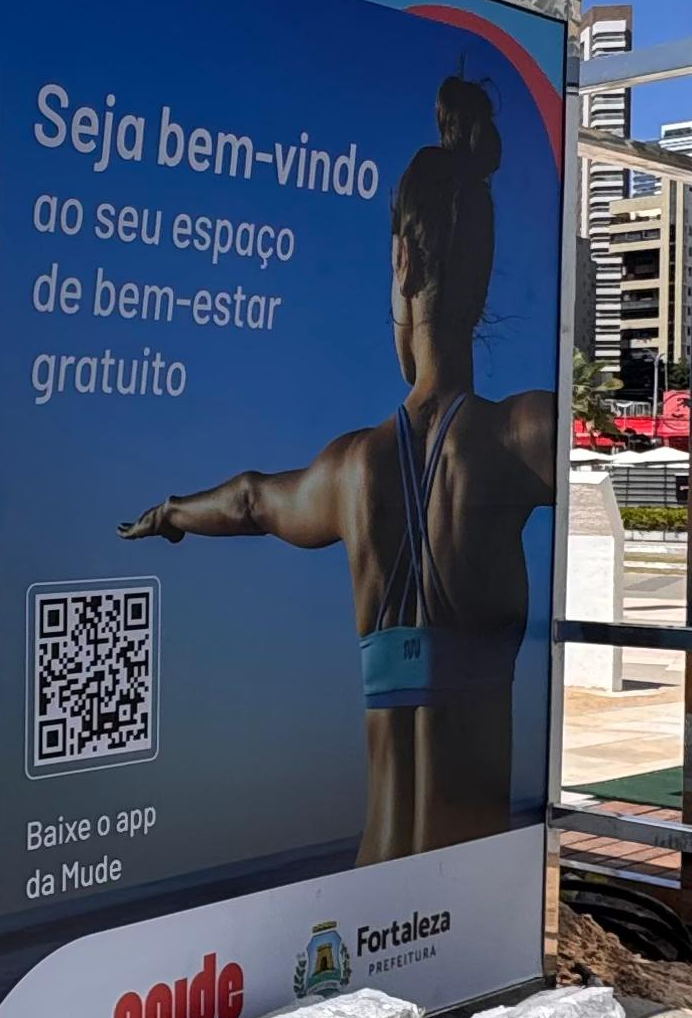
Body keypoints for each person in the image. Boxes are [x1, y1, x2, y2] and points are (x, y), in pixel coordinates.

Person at [120, 74, 557, 862]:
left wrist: (173, 512)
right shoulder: (515, 438)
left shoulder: (352, 471)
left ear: (401, 263)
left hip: (372, 878)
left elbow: (251, 501)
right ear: (482, 275)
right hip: (469, 888)